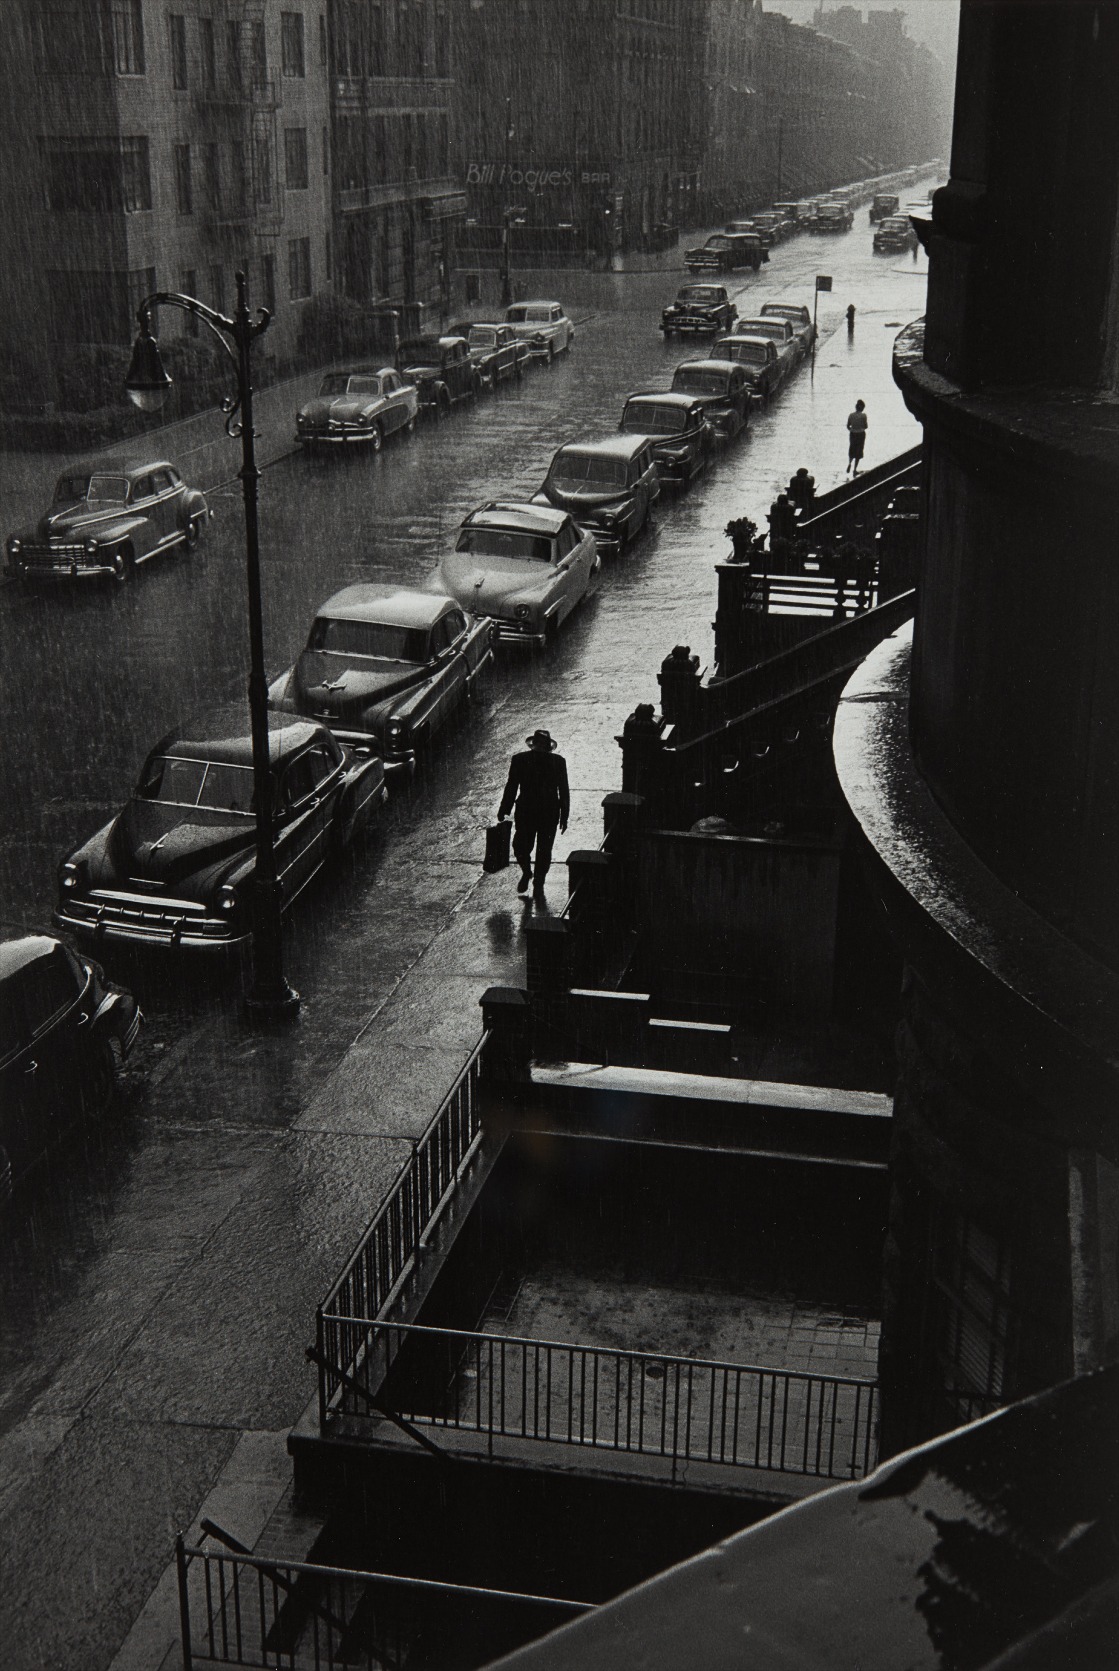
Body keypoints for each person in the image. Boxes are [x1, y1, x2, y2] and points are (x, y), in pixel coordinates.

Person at [497, 729, 570, 901]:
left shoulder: (520, 760)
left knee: (522, 846)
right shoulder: (557, 762)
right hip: (548, 812)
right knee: (542, 849)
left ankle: (532, 876)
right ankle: (536, 879)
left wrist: (504, 809)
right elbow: (564, 791)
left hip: (527, 811)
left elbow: (512, 786)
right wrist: (564, 815)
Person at [846, 399, 868, 475]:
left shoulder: (851, 415)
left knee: (852, 449)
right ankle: (855, 469)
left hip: (853, 434)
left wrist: (851, 430)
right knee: (858, 451)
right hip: (861, 434)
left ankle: (849, 463)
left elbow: (848, 426)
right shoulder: (864, 415)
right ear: (862, 408)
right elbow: (866, 426)